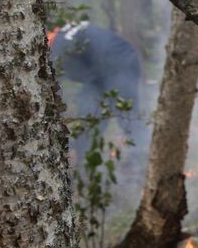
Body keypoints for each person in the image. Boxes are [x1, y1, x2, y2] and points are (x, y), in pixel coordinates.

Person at [47, 21, 144, 159]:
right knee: (125, 115)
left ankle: (142, 159)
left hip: (114, 66)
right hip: (127, 55)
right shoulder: (67, 29)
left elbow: (60, 84)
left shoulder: (56, 49)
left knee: (122, 118)